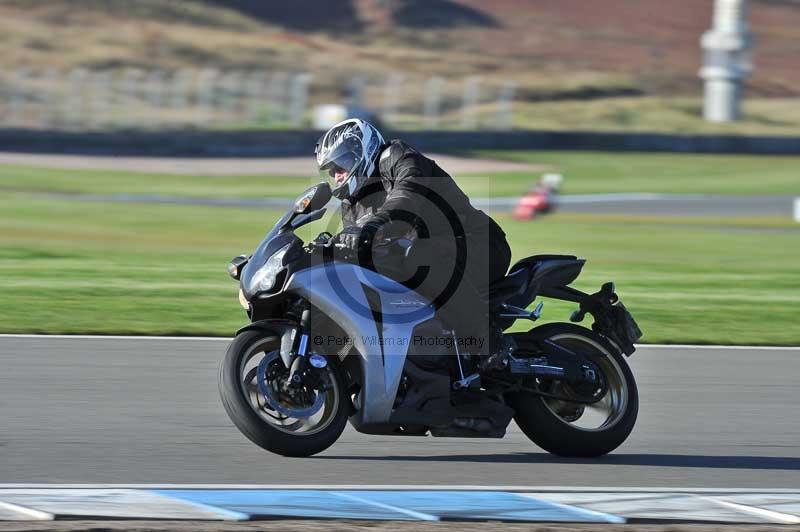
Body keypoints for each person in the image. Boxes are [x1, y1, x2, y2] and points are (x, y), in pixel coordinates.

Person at [315, 118, 512, 368]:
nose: (337, 175)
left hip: (478, 244)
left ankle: (488, 340)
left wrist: (374, 225)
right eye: (331, 171)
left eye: (340, 165)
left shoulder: (398, 157)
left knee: (418, 256)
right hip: (425, 258)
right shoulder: (352, 204)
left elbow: (407, 195)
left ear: (360, 151)